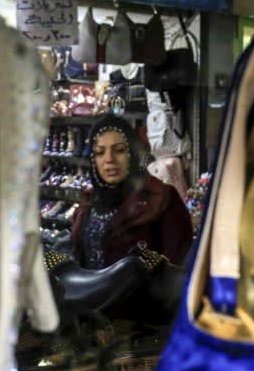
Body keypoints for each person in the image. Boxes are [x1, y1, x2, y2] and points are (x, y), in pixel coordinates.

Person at [70, 114, 193, 270]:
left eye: (119, 150)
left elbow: (179, 267)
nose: (109, 159)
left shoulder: (161, 199)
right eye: (100, 152)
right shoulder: (88, 202)